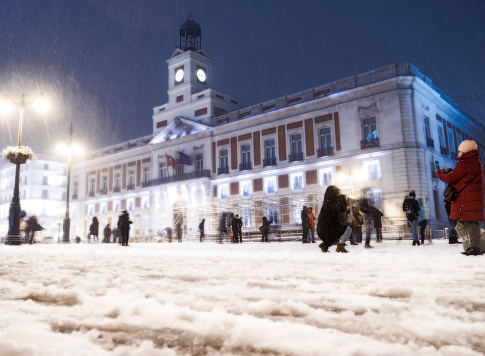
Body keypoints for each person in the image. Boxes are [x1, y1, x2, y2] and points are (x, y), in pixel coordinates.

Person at [436, 140, 484, 256]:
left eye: (460, 151)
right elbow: (463, 175)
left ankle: (474, 248)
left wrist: (439, 173)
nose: (458, 154)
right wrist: (452, 171)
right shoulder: (475, 162)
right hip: (473, 197)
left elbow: (450, 178)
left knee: (470, 223)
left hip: (467, 198)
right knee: (473, 222)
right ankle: (478, 246)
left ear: (464, 152)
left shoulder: (464, 163)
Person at [316, 185, 352, 253]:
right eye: (337, 192)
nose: (338, 193)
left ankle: (325, 245)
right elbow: (342, 209)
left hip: (325, 229)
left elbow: (341, 209)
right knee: (348, 229)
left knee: (338, 236)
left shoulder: (327, 203)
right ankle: (340, 247)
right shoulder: (329, 203)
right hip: (326, 230)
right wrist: (341, 196)